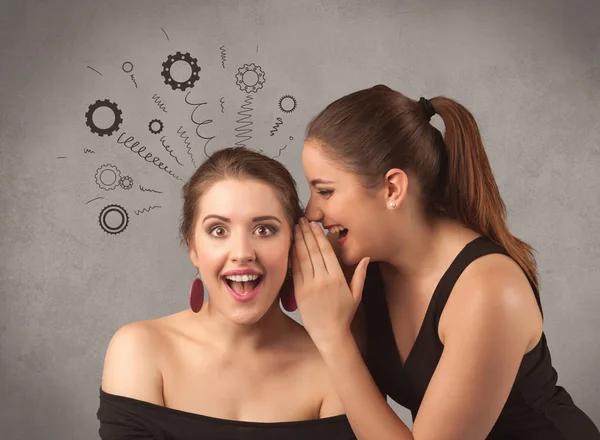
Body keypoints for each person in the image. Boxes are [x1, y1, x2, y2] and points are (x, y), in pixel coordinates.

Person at [290, 85, 600, 440]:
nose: (313, 213)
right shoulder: (368, 265)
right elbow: (351, 402)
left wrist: (332, 335)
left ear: (392, 189)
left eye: (325, 191)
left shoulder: (489, 290)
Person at [97, 147, 357, 440]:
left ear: (294, 243)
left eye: (264, 230)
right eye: (218, 231)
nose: (242, 253)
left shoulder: (334, 363)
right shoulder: (139, 351)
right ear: (193, 248)